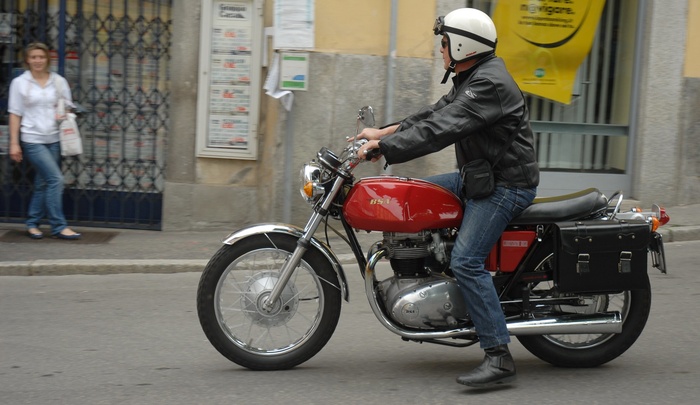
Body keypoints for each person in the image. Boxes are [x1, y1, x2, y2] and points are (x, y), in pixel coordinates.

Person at [356, 8, 539, 388]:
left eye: (443, 42)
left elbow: (441, 128)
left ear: (461, 44)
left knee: (468, 261)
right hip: (478, 177)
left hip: (505, 184)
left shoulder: (488, 84)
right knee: (415, 195)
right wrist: (382, 131)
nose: (440, 49)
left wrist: (384, 148)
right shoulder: (472, 76)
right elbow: (434, 113)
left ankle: (499, 357)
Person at [7, 42, 82, 240]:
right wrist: (14, 143)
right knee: (55, 180)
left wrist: (66, 111)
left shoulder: (58, 81)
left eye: (41, 57)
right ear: (27, 60)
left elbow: (69, 106)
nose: (37, 61)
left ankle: (32, 223)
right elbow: (15, 113)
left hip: (55, 138)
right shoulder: (20, 83)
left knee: (43, 184)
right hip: (32, 139)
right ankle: (59, 226)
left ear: (47, 59)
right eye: (33, 57)